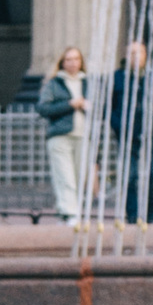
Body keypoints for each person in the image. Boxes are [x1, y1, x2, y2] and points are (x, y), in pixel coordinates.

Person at [104, 39, 153, 224]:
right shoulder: (117, 77)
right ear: (126, 56)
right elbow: (108, 106)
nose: (136, 57)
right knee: (129, 176)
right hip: (126, 135)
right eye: (131, 53)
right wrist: (117, 124)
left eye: (139, 52)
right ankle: (132, 215)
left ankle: (149, 213)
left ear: (146, 55)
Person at [36, 47, 88, 221]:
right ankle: (69, 213)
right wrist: (70, 104)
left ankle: (72, 211)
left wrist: (89, 106)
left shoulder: (88, 83)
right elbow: (43, 108)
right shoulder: (54, 84)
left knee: (79, 177)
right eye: (69, 59)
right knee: (65, 176)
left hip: (82, 135)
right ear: (62, 63)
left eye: (76, 59)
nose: (73, 63)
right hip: (60, 136)